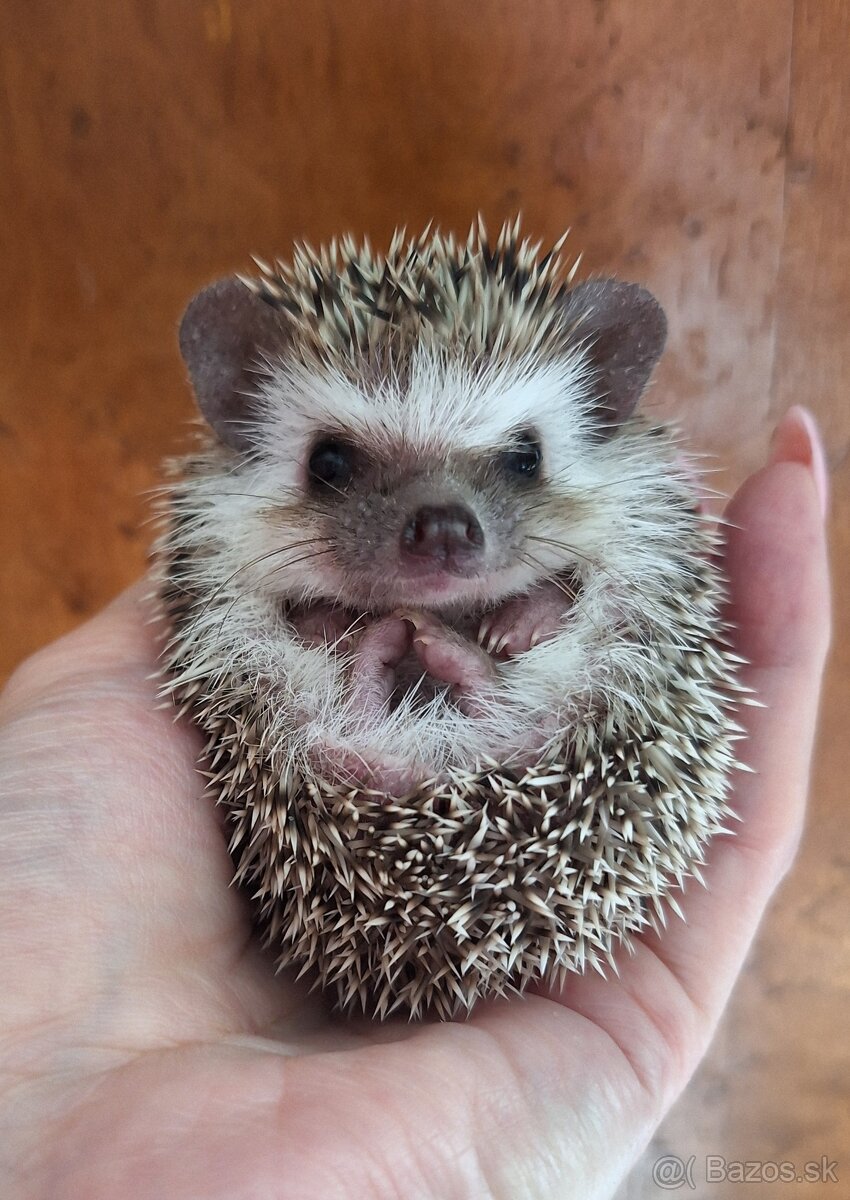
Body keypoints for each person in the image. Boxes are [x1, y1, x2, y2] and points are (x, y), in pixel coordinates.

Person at [0, 406, 831, 1200]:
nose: (441, 523)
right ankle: (432, 700)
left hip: (464, 751)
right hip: (370, 775)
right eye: (338, 466)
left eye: (516, 461)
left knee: (602, 657)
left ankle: (417, 699)